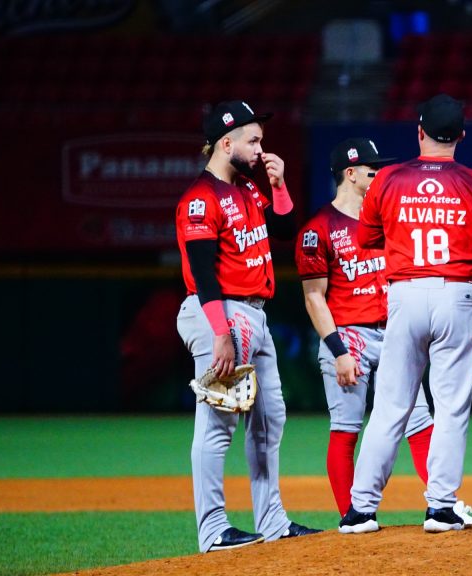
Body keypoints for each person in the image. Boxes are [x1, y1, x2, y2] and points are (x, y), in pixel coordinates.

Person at [340, 94, 472, 534]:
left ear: (419, 132)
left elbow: (366, 238)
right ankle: (439, 507)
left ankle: (361, 510)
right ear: (461, 135)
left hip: (405, 293)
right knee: (451, 406)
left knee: (389, 405)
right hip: (458, 293)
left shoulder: (388, 178)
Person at [175, 100, 321, 552]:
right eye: (253, 141)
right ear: (226, 143)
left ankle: (273, 521)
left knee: (270, 417)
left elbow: (284, 229)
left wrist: (278, 185)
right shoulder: (201, 198)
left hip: (254, 314)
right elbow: (203, 275)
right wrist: (220, 332)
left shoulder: (247, 190)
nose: (260, 149)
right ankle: (212, 529)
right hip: (220, 313)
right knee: (217, 422)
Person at [295, 137, 434, 517]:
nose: (380, 175)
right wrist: (338, 351)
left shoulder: (388, 221)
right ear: (351, 173)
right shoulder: (319, 228)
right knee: (346, 428)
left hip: (393, 335)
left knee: (420, 421)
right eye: (373, 170)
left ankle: (443, 504)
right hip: (348, 336)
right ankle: (351, 517)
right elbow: (314, 298)